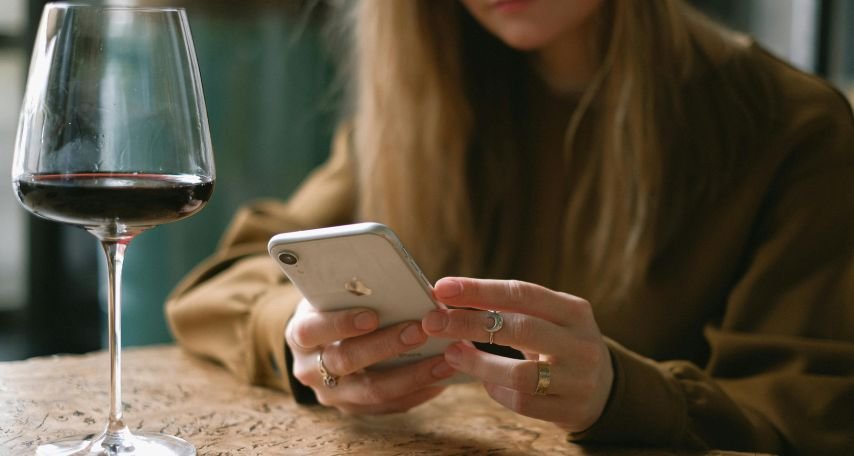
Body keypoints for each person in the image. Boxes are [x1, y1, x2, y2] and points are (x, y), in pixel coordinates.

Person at [165, 1, 854, 454]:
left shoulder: (794, 131)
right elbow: (220, 284)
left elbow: (806, 420)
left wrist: (621, 394)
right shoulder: (428, 106)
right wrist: (303, 335)